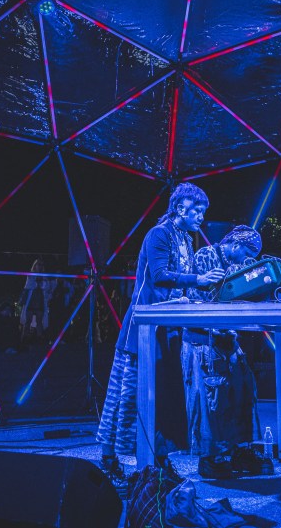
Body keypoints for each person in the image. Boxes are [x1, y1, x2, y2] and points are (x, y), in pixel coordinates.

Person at [96, 183, 225, 478]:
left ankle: (160, 459)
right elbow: (159, 275)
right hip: (142, 327)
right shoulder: (159, 234)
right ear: (179, 208)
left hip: (166, 329)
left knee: (164, 397)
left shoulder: (185, 239)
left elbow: (182, 283)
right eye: (197, 210)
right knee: (127, 394)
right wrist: (198, 280)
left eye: (203, 211)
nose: (201, 217)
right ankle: (110, 456)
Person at [183, 225, 270, 479]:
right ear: (234, 244)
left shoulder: (236, 265)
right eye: (246, 253)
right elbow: (207, 297)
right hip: (203, 338)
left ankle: (240, 448)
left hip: (225, 338)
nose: (247, 259)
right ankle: (211, 456)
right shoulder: (206, 256)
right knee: (214, 399)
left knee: (245, 386)